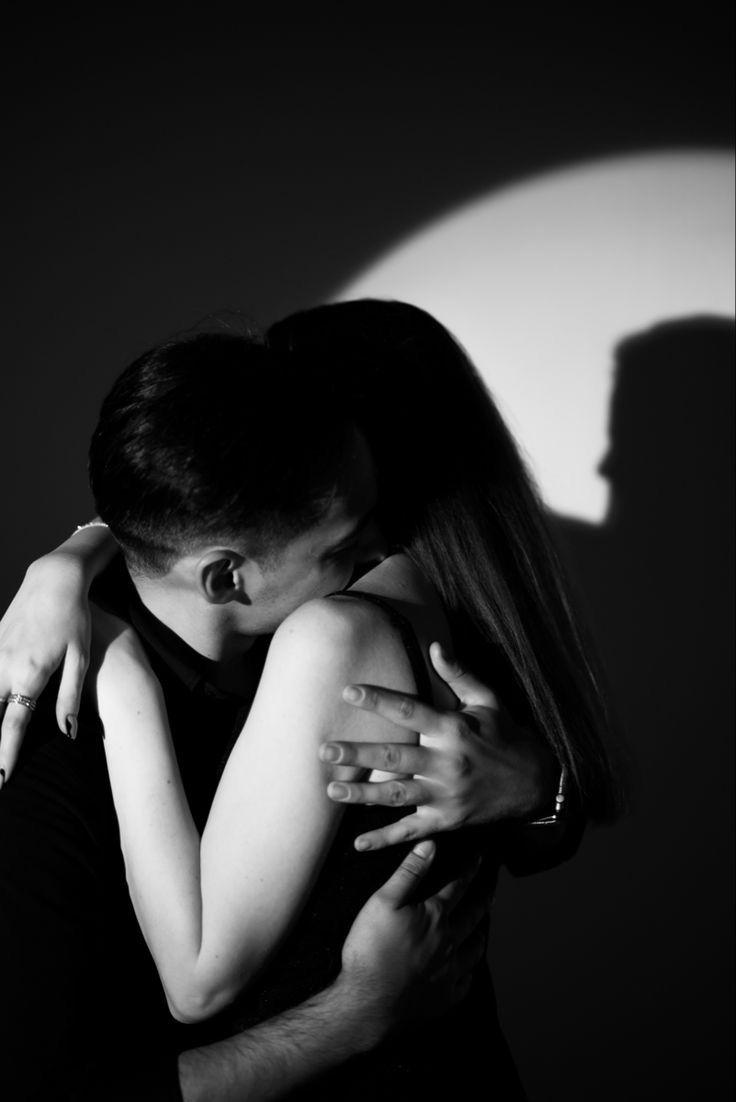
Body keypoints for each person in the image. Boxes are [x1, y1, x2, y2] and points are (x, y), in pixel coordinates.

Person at [0, 303, 620, 1098]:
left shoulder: (331, 634)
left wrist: (122, 678)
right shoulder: (49, 740)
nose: (371, 551)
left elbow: (197, 982)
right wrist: (77, 554)